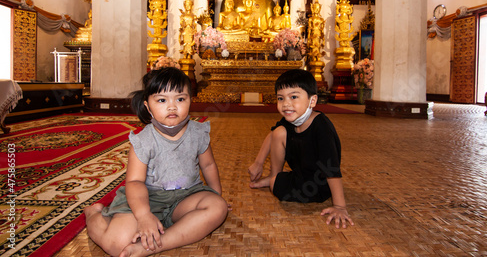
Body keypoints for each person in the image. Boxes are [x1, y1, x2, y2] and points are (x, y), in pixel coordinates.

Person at [84, 67, 228, 257]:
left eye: (180, 99)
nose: (172, 106)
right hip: (146, 199)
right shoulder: (143, 141)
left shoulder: (198, 133)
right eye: (162, 100)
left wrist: (215, 193)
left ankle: (155, 244)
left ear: (191, 100)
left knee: (218, 208)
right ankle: (93, 215)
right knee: (117, 244)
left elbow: (208, 165)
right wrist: (144, 216)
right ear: (147, 105)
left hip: (185, 197)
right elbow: (134, 182)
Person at [248, 69, 354, 228]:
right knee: (278, 132)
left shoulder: (322, 128)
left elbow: (331, 167)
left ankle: (274, 180)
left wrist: (340, 206)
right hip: (301, 172)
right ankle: (273, 175)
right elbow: (272, 136)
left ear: (312, 101)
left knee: (276, 185)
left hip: (318, 185)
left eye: (294, 97)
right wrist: (258, 162)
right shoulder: (292, 120)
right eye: (280, 98)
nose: (286, 104)